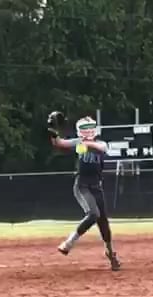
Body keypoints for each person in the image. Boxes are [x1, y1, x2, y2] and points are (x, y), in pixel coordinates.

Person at [45, 112, 120, 272]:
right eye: (85, 129)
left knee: (103, 222)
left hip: (96, 187)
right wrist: (52, 130)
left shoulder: (100, 143)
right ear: (80, 131)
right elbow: (60, 143)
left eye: (91, 128)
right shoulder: (79, 143)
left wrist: (84, 143)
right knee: (93, 214)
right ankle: (69, 243)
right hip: (82, 186)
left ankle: (110, 252)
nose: (88, 131)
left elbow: (101, 148)